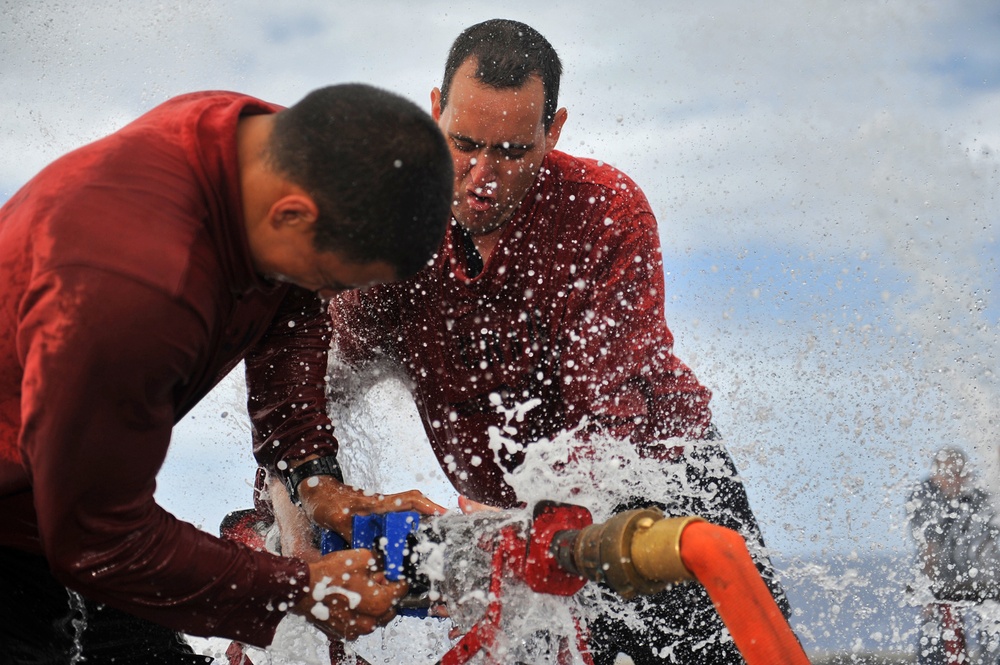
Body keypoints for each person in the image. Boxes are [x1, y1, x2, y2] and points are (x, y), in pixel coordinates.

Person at [260, 19, 790, 665]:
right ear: (434, 112)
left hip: (657, 478)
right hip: (514, 508)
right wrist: (301, 517)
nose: (482, 177)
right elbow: (308, 380)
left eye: (511, 152)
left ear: (554, 130)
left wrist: (526, 515)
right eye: (463, 144)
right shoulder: (392, 230)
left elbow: (608, 414)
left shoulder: (603, 211)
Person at [0, 83, 454, 663]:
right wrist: (301, 589)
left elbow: (291, 316)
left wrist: (314, 480)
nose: (326, 299)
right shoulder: (133, 292)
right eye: (330, 280)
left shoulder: (254, 142)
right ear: (292, 214)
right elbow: (97, 540)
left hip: (77, 497)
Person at [908, 447, 1000, 664]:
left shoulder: (979, 498)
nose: (954, 480)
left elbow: (991, 542)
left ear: (967, 475)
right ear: (935, 476)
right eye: (948, 474)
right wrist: (927, 593)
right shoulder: (924, 497)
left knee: (993, 632)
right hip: (943, 580)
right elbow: (928, 549)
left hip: (981, 579)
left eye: (959, 473)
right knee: (935, 641)